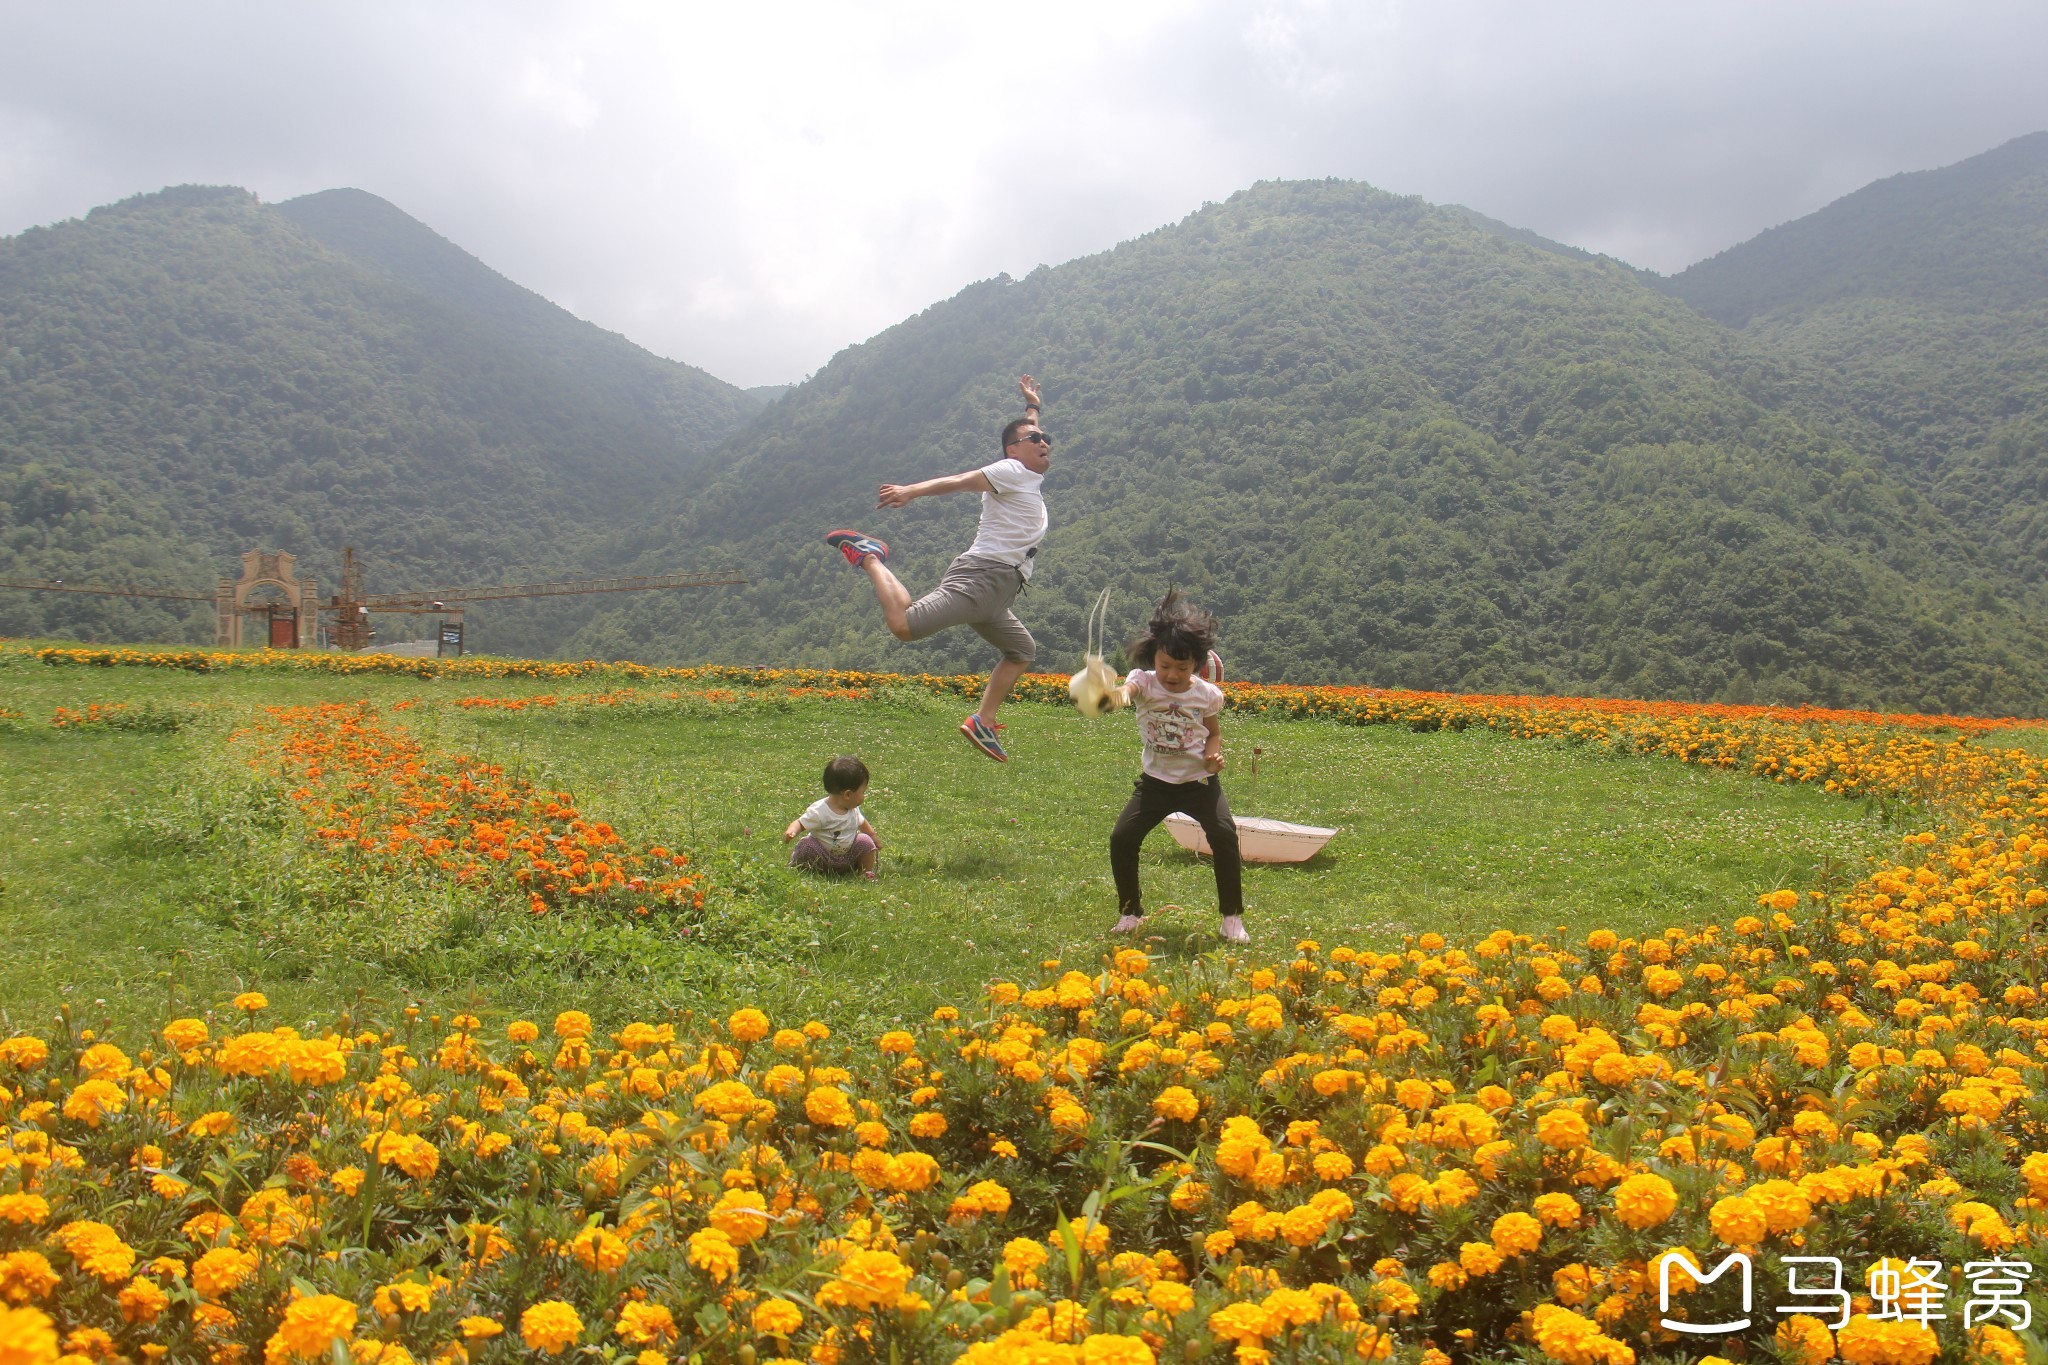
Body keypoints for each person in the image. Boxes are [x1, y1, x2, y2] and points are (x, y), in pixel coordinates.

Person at [824, 376, 1050, 762]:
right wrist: (910, 491)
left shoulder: (1025, 475)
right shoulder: (1010, 471)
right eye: (1036, 440)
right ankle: (870, 555)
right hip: (981, 579)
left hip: (998, 592)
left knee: (1021, 650)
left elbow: (1026, 434)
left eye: (1047, 440)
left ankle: (983, 720)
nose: (1045, 443)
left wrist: (1033, 407)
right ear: (1013, 451)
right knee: (905, 626)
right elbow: (961, 481)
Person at [1108, 590, 1249, 943]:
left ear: (1197, 665)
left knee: (1224, 837)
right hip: (1154, 784)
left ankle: (1232, 918)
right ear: (1154, 658)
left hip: (1199, 785)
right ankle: (1130, 913)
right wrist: (1102, 695)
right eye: (1165, 665)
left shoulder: (1207, 695)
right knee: (1122, 839)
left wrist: (1213, 757)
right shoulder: (1143, 682)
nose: (1171, 675)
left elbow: (1213, 734)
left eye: (1182, 668)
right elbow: (1122, 695)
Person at [783, 755, 880, 880]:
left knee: (865, 841)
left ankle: (867, 873)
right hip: (822, 856)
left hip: (847, 857)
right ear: (848, 794)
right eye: (863, 792)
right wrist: (791, 831)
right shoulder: (820, 810)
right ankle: (808, 869)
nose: (864, 796)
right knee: (807, 845)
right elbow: (800, 823)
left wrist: (873, 838)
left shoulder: (852, 808)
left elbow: (862, 823)